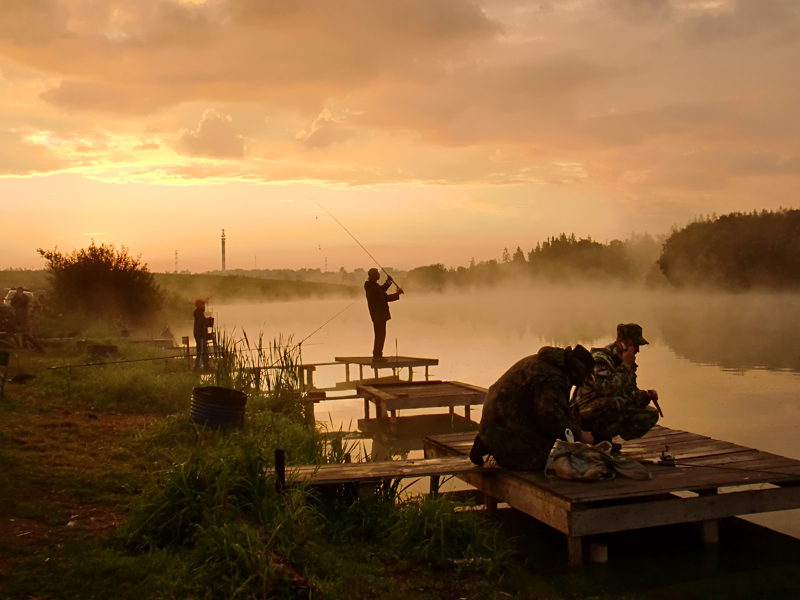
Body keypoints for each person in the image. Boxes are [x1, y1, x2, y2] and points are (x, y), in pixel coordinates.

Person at [470, 345, 596, 471]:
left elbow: (559, 408)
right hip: (508, 427)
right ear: (579, 368)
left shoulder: (545, 363)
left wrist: (576, 429)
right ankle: (502, 449)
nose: (586, 379)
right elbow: (550, 418)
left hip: (493, 423)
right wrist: (579, 435)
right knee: (535, 464)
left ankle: (487, 441)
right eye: (586, 374)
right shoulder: (552, 377)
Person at [571, 323, 660, 444]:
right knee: (612, 403)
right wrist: (626, 366)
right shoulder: (600, 359)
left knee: (650, 414)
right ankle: (597, 440)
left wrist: (645, 396)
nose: (638, 350)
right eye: (635, 345)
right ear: (621, 342)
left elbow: (629, 392)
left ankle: (608, 438)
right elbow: (606, 389)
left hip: (608, 409)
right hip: (583, 414)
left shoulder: (624, 360)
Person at [364, 268, 403, 362]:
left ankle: (377, 355)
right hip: (379, 315)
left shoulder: (372, 286)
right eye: (377, 274)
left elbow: (381, 290)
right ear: (374, 275)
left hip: (376, 314)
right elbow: (385, 297)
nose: (379, 275)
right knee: (380, 335)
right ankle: (377, 356)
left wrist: (388, 282)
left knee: (379, 335)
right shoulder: (373, 288)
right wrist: (397, 294)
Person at [193, 299, 213, 371]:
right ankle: (197, 367)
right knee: (200, 351)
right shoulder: (198, 312)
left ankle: (206, 366)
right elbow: (203, 322)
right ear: (199, 305)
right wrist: (209, 320)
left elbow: (203, 322)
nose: (204, 306)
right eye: (203, 304)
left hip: (201, 334)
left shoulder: (200, 312)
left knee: (204, 351)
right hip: (199, 334)